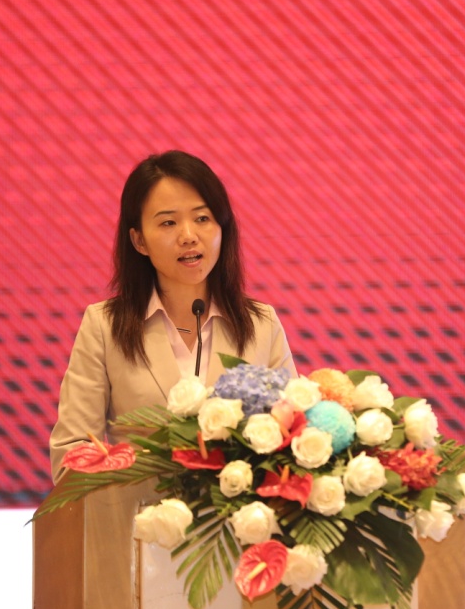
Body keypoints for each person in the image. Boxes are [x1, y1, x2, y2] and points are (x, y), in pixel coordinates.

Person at [49, 150, 297, 483]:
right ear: (139, 240)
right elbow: (72, 451)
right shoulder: (105, 327)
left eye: (202, 218)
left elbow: (293, 436)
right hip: (140, 514)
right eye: (168, 222)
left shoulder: (261, 324)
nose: (188, 235)